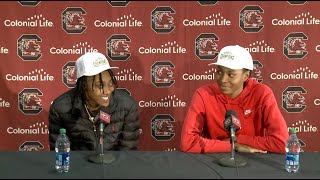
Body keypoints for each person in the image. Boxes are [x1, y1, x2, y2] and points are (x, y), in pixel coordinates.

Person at [180, 45, 289, 154]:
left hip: (254, 161)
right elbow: (187, 142)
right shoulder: (203, 94)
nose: (223, 79)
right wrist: (233, 146)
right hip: (214, 161)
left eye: (231, 74)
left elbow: (283, 143)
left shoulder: (262, 93)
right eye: (219, 72)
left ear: (245, 76)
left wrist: (238, 138)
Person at [48, 52, 140, 151]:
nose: (107, 91)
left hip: (115, 164)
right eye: (100, 85)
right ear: (83, 86)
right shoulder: (61, 109)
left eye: (110, 83)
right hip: (79, 165)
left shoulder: (127, 106)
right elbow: (61, 153)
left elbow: (128, 153)